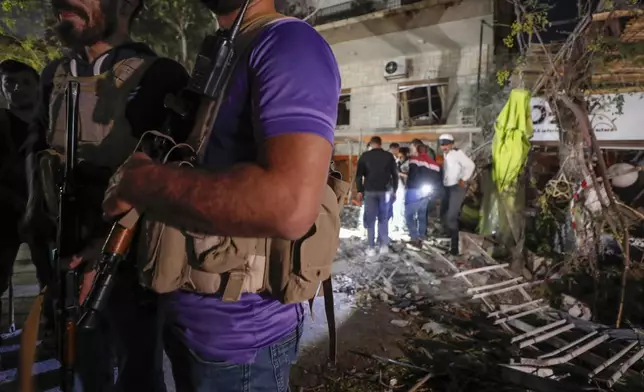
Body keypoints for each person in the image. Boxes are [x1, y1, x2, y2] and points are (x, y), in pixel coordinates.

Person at [101, 1, 342, 390]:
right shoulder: (225, 49)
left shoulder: (289, 43)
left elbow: (289, 206)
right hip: (188, 319)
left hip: (242, 344)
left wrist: (142, 183)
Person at [26, 0, 189, 389]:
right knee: (84, 371)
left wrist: (107, 247)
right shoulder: (54, 77)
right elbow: (37, 165)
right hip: (64, 258)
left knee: (139, 373)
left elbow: (175, 176)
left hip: (130, 262)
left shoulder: (162, 76)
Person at [0, 60, 53, 333]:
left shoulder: (52, 124)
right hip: (6, 213)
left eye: (25, 82)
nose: (17, 88)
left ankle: (52, 330)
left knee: (52, 279)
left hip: (43, 213)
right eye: (9, 83)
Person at [355, 136, 398, 256]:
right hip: (384, 192)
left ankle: (371, 248)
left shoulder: (365, 156)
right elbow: (395, 175)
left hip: (370, 192)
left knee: (370, 219)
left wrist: (359, 191)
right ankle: (383, 246)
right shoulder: (388, 156)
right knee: (383, 218)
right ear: (380, 144)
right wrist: (394, 190)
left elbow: (359, 176)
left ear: (371, 144)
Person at [438, 133, 476, 256]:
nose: (444, 146)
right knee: (443, 212)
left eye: (446, 144)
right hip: (447, 187)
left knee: (451, 216)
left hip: (456, 187)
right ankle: (449, 239)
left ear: (452, 144)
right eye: (442, 144)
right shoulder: (446, 155)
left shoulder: (457, 153)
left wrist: (463, 179)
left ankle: (455, 248)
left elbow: (470, 165)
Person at [405, 144, 442, 248]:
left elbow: (412, 174)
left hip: (414, 191)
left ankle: (414, 237)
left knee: (409, 214)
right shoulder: (434, 164)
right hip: (427, 191)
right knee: (422, 215)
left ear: (417, 151)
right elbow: (438, 180)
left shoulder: (414, 160)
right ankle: (422, 236)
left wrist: (408, 185)